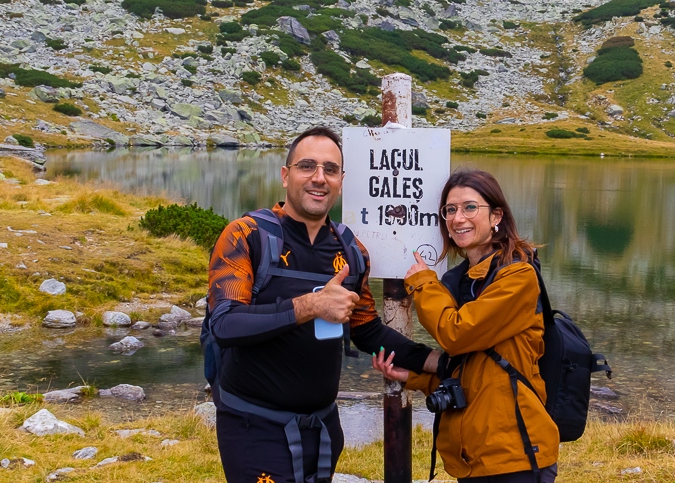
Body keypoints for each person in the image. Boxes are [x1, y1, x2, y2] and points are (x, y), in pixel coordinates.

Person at [207, 126, 438, 483]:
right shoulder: (246, 235)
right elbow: (225, 325)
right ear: (286, 176)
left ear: (341, 181)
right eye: (307, 167)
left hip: (324, 427)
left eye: (330, 169)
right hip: (253, 426)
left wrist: (436, 360)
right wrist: (312, 306)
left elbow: (366, 330)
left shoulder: (351, 251)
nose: (319, 178)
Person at [372, 169, 559, 482]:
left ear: (496, 215)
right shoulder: (462, 281)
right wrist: (415, 377)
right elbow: (477, 371)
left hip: (515, 455)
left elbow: (456, 334)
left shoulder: (518, 276)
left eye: (471, 207)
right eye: (450, 210)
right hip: (479, 454)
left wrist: (421, 282)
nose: (459, 218)